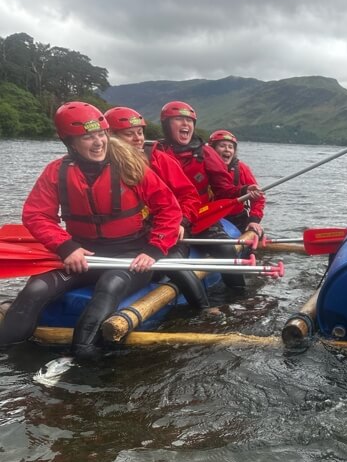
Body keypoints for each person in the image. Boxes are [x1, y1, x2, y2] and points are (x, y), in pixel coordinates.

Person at [0, 102, 181, 359]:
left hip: (130, 255)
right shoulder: (56, 171)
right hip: (83, 254)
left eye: (101, 134)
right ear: (69, 142)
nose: (98, 143)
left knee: (109, 284)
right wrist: (66, 247)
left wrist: (153, 249)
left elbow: (169, 210)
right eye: (87, 137)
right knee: (36, 289)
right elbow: (36, 215)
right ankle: (5, 357)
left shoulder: (131, 165)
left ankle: (81, 357)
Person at [104, 106, 209, 308]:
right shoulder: (98, 163)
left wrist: (181, 221)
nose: (138, 139)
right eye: (129, 134)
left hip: (166, 229)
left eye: (140, 132)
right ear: (111, 136)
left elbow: (189, 196)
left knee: (173, 264)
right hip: (128, 237)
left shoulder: (158, 159)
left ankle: (204, 310)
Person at [151, 101, 262, 290]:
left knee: (227, 249)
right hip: (168, 219)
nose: (186, 124)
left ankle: (238, 295)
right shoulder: (155, 152)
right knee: (166, 261)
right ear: (166, 125)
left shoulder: (206, 153)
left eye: (189, 120)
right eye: (179, 119)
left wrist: (244, 191)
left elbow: (224, 189)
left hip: (200, 215)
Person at [207, 130, 265, 236]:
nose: (227, 149)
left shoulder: (241, 169)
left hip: (237, 218)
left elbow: (259, 198)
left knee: (255, 231)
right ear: (212, 149)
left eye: (230, 147)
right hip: (209, 217)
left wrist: (254, 220)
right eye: (222, 146)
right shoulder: (202, 167)